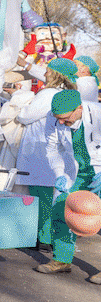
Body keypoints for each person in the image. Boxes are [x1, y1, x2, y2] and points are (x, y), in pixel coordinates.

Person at [15, 58, 78, 251]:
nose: (45, 73)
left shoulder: (49, 93)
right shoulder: (65, 93)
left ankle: (43, 237)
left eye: (48, 71)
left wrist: (18, 99)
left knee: (41, 196)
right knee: (48, 195)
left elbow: (25, 116)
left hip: (39, 150)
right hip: (49, 150)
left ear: (56, 74)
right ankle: (46, 235)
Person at [42, 89, 101, 280]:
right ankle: (62, 260)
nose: (60, 122)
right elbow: (52, 149)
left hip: (99, 171)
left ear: (79, 109)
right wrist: (59, 173)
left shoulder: (98, 115)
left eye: (65, 118)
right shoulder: (53, 119)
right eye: (57, 117)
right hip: (75, 173)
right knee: (61, 211)